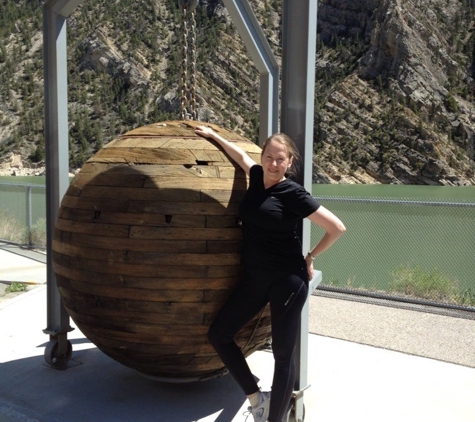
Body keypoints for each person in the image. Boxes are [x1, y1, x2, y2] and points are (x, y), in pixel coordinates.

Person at [195, 125, 346, 422]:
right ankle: (256, 398)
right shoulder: (255, 177)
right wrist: (213, 136)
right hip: (255, 277)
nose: (273, 164)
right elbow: (240, 156)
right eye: (268, 157)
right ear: (262, 157)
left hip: (288, 280)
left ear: (290, 162)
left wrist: (311, 256)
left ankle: (274, 418)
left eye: (280, 159)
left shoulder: (293, 193)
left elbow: (337, 228)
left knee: (282, 356)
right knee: (219, 334)